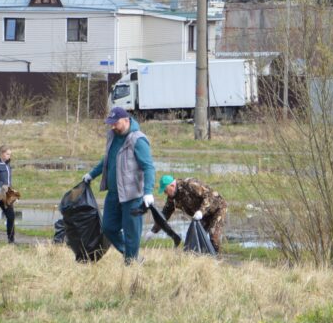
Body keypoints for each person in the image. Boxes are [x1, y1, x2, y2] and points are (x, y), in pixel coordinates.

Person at [83, 106, 155, 264]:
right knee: (108, 228)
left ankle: (131, 263)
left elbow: (148, 167)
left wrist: (148, 191)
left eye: (115, 123)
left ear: (126, 120)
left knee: (132, 233)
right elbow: (107, 160)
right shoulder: (113, 136)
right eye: (110, 123)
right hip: (114, 194)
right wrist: (92, 174)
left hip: (132, 195)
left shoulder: (138, 140)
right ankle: (131, 256)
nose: (112, 126)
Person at [155, 174, 228, 253]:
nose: (165, 193)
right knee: (195, 236)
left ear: (172, 185)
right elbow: (165, 214)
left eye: (165, 190)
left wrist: (201, 211)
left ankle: (218, 259)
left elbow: (209, 196)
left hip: (217, 208)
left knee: (214, 237)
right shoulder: (172, 198)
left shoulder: (190, 184)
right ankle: (203, 257)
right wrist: (154, 230)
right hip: (203, 215)